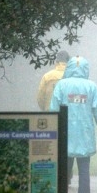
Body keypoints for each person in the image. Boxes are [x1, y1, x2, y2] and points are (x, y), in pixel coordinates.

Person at [50, 55, 97, 193]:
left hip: (65, 135)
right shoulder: (91, 87)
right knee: (84, 170)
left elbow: (53, 111)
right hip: (85, 134)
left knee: (64, 170)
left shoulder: (61, 85)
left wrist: (52, 134)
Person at [36, 50, 76, 183]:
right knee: (68, 147)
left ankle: (52, 174)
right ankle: (67, 175)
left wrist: (45, 109)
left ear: (56, 61)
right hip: (69, 117)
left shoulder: (48, 76)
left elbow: (40, 97)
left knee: (51, 146)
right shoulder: (73, 77)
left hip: (50, 117)